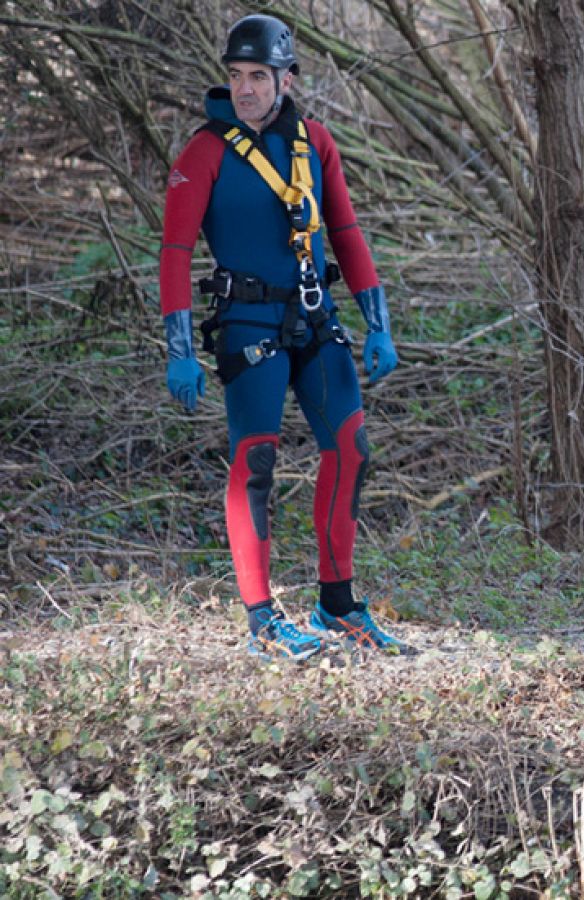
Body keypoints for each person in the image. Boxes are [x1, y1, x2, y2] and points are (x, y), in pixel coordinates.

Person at [160, 14, 409, 658]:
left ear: (286, 78)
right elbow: (175, 252)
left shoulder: (315, 142)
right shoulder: (204, 151)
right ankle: (262, 623)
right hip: (246, 324)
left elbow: (347, 233)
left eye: (258, 77)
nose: (244, 89)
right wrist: (180, 351)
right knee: (257, 463)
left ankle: (336, 606)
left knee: (351, 449)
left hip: (316, 318)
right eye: (236, 76)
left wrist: (377, 325)